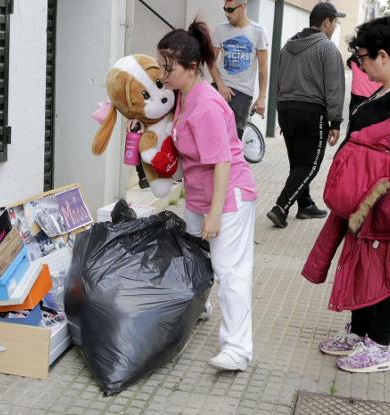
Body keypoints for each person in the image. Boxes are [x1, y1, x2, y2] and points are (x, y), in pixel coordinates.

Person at [304, 15, 390, 373]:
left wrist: (378, 165)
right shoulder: (380, 89)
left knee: (387, 271)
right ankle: (359, 332)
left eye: (362, 58)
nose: (360, 65)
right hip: (365, 201)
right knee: (361, 264)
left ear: (382, 55)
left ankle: (381, 347)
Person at [157, 19, 257, 371]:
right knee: (197, 259)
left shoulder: (208, 105)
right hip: (200, 195)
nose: (163, 74)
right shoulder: (183, 97)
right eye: (162, 66)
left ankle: (237, 349)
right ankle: (202, 307)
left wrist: (215, 215)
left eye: (169, 68)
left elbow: (222, 163)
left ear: (192, 67)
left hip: (228, 196)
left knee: (231, 271)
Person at [266, 2, 346, 228]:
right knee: (308, 165)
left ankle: (306, 205)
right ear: (326, 22)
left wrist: (281, 113)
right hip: (311, 113)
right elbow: (334, 88)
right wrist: (336, 121)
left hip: (286, 110)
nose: (334, 27)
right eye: (334, 22)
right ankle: (281, 207)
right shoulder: (327, 48)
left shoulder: (287, 46)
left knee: (298, 163)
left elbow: (279, 81)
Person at [209, 0, 269, 139]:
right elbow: (211, 61)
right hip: (220, 89)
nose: (226, 14)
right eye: (225, 9)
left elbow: (263, 68)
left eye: (230, 10)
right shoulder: (220, 30)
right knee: (212, 134)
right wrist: (220, 84)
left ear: (243, 7)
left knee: (233, 140)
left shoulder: (258, 32)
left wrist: (261, 97)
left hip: (242, 93)